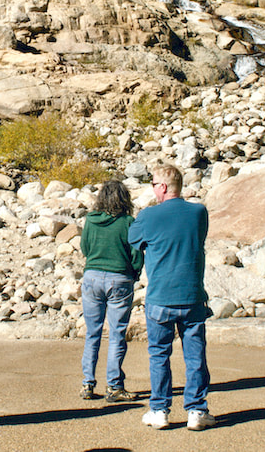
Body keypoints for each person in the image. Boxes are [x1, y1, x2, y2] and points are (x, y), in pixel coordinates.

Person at [127, 163, 216, 431]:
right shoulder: (199, 212)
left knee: (158, 355)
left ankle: (159, 409)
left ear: (163, 187)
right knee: (195, 355)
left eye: (153, 184)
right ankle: (197, 410)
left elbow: (134, 241)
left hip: (160, 297)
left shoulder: (148, 216)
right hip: (191, 296)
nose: (152, 189)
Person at [79, 180, 143, 403]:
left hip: (92, 277)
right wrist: (134, 274)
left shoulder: (90, 220)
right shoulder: (127, 222)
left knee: (92, 333)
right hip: (119, 278)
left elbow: (85, 248)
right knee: (116, 334)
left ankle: (88, 383)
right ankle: (114, 386)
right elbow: (136, 254)